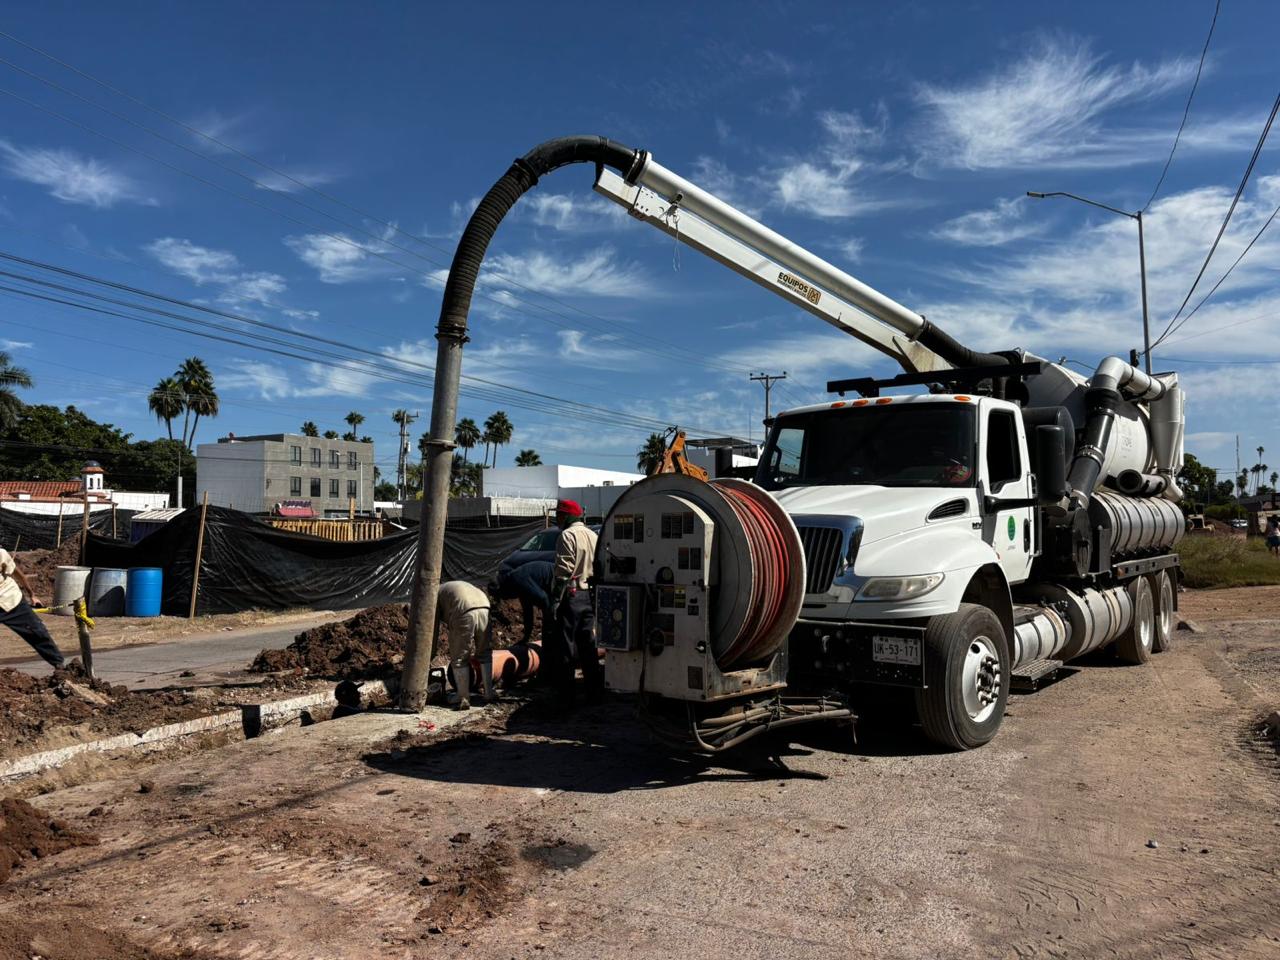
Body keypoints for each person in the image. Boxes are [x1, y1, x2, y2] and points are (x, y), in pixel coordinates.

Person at [549, 499, 602, 702]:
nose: (557, 519)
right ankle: (594, 691)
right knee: (588, 645)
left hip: (571, 595)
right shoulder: (593, 535)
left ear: (567, 516)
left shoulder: (567, 535)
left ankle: (566, 694)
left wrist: (555, 599)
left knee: (566, 646)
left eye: (559, 515)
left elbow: (563, 571)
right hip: (590, 595)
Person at [0, 547, 65, 670]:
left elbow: (18, 574)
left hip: (10, 599)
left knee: (36, 631)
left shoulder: (1, 554)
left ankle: (60, 666)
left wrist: (32, 595)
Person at [436, 580, 495, 710]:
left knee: (459, 658)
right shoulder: (448, 588)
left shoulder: (433, 595)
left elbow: (432, 628)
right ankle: (489, 693)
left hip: (463, 609)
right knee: (485, 652)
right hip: (484, 606)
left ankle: (463, 696)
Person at [495, 559, 554, 643]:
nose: (507, 599)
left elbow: (544, 600)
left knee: (553, 625)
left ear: (504, 589)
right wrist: (526, 638)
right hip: (551, 585)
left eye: (504, 596)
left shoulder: (518, 580)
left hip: (559, 579)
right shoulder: (519, 587)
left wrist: (547, 626)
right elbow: (528, 613)